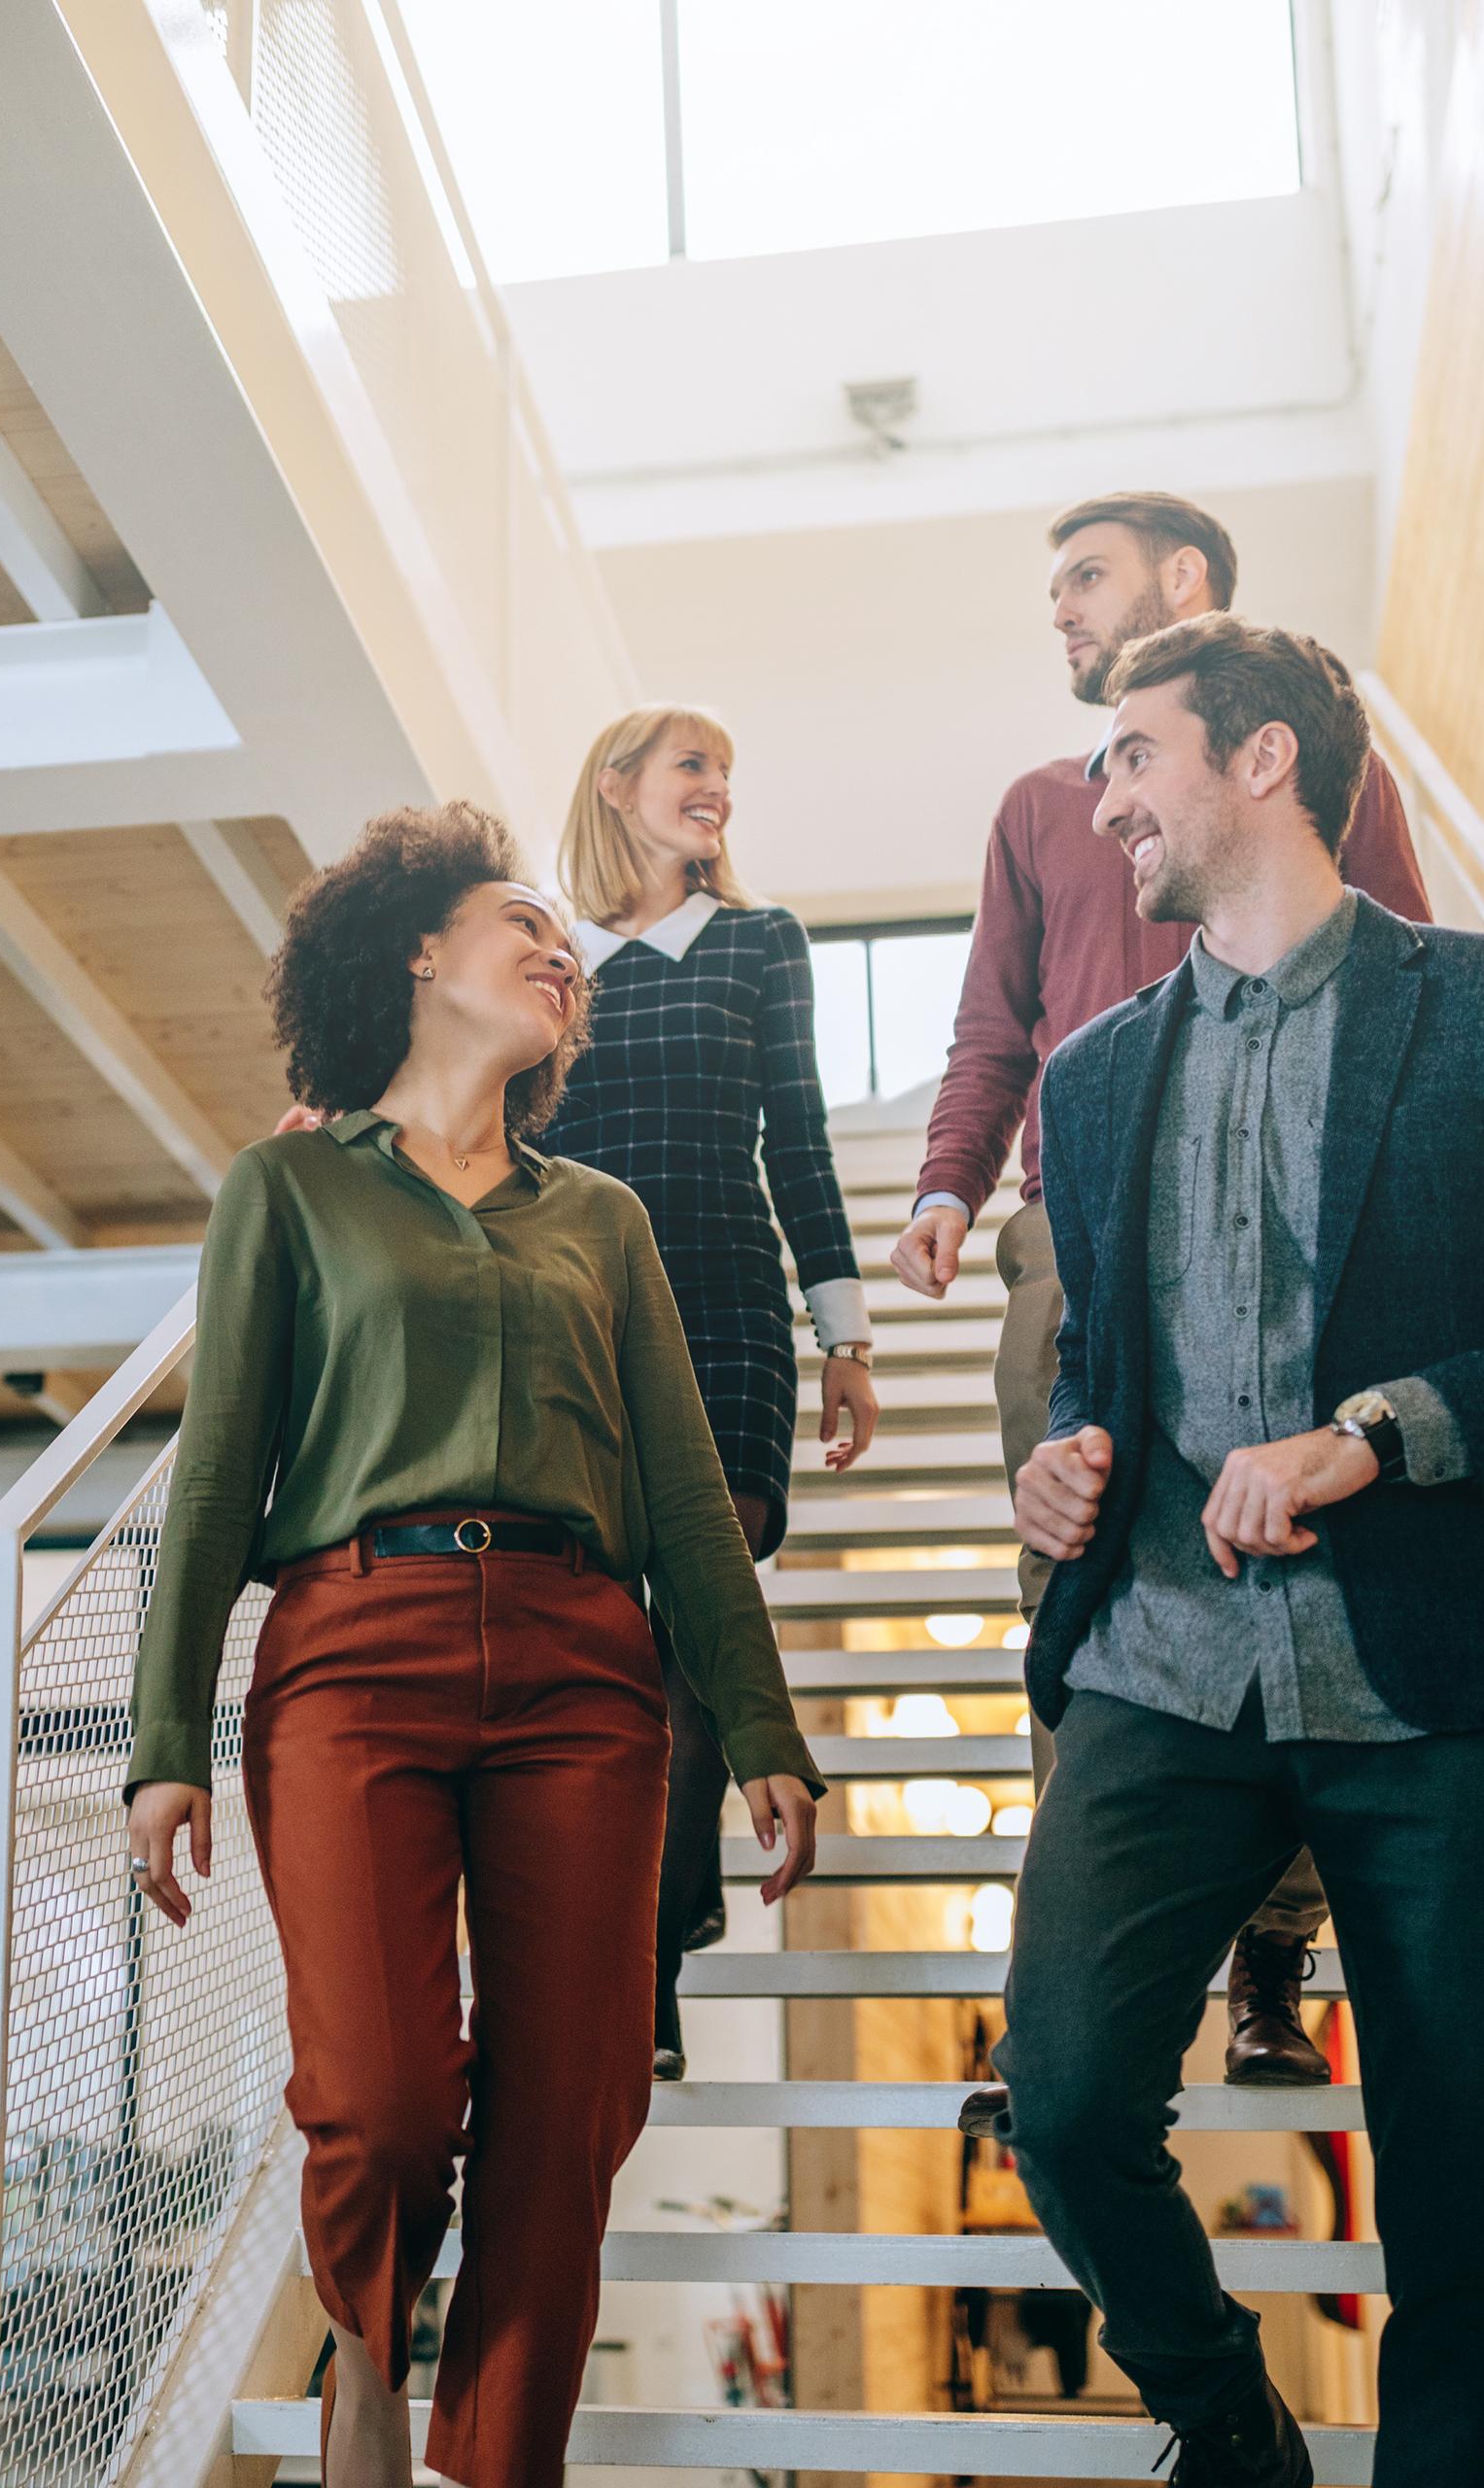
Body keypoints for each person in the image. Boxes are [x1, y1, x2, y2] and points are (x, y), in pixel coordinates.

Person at [993, 615, 1484, 2486]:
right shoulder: (1082, 1084)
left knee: (1465, 2193)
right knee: (1070, 2103)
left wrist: (1380, 1435)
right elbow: (1104, 1376)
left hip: (1449, 1672)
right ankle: (1233, 2434)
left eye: (1133, 759)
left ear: (1260, 763)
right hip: (1161, 1661)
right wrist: (1067, 1467)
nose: (1104, 803)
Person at [123, 804, 823, 2488]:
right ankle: (367, 2357)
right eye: (526, 920)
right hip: (354, 1656)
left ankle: (496, 2463)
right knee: (379, 2102)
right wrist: (161, 1746)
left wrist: (766, 1722)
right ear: (420, 953)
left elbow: (683, 1493)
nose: (559, 952)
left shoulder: (604, 1219)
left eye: (565, 945)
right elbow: (217, 1477)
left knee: (569, 2115)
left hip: (588, 1674)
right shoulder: (289, 1185)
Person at [890, 490, 1434, 2087]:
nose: (1058, 609)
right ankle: (1059, 1987)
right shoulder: (1040, 811)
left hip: (1305, 1229)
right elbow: (995, 1023)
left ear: (1182, 582)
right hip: (1078, 1239)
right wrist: (946, 1179)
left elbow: (1401, 966)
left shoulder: (1325, 774)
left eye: (1087, 579)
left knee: (1296, 1578)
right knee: (1076, 1592)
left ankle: (1271, 1965)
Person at [538, 705, 877, 2082]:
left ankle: (648, 1966)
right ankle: (628, 1944)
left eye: (727, 774)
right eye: (693, 768)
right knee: (606, 1651)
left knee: (684, 1644)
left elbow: (797, 1135)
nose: (717, 792)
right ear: (616, 786)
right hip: (577, 1324)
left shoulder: (759, 943)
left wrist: (843, 1333)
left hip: (730, 1316)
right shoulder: (548, 961)